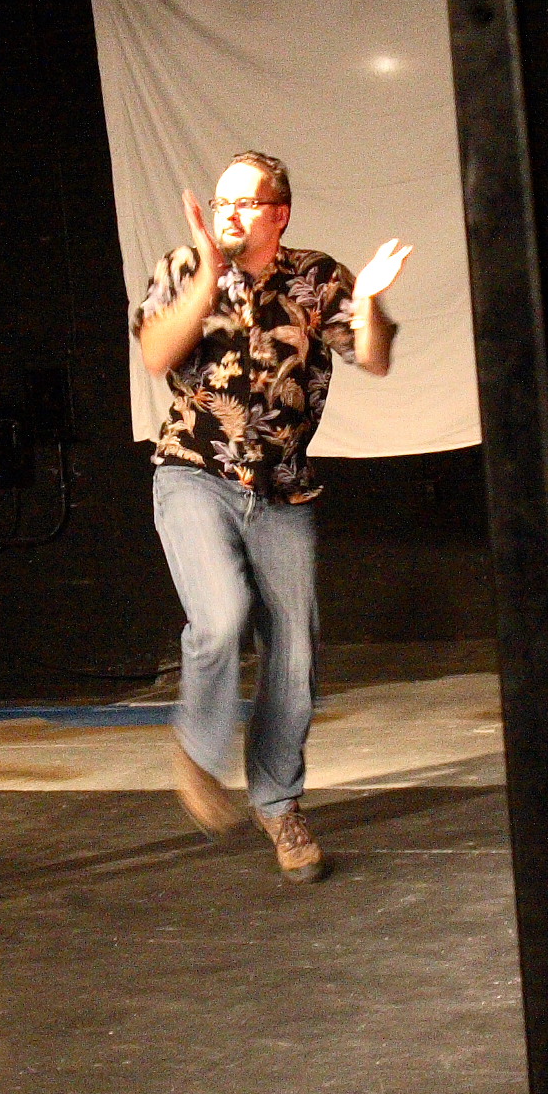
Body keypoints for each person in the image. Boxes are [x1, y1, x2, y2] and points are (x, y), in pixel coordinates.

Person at [129, 150, 412, 884]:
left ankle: (279, 804)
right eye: (222, 201)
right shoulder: (182, 268)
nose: (228, 213)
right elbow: (157, 353)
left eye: (245, 203)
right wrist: (205, 275)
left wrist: (368, 301)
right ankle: (199, 751)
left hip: (283, 490)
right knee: (222, 616)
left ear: (278, 213)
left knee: (296, 653)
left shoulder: (315, 277)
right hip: (195, 473)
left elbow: (375, 358)